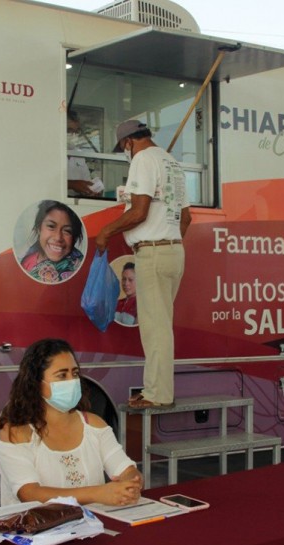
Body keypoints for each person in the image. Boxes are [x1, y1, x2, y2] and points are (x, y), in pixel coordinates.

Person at [96, 120, 191, 408]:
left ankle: (157, 394)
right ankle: (156, 390)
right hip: (174, 252)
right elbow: (185, 218)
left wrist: (106, 231)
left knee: (155, 328)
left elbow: (139, 212)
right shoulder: (171, 162)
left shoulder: (142, 159)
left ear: (128, 143)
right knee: (159, 324)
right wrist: (169, 239)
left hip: (153, 254)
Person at [0, 338, 142, 506]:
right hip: (34, 530)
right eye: (62, 375)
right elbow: (29, 494)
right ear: (36, 383)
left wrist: (131, 483)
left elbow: (126, 470)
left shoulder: (95, 425)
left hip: (92, 525)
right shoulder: (16, 433)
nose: (72, 381)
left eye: (74, 373)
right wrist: (98, 493)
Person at [21, 200, 85, 283]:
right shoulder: (26, 264)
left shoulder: (81, 266)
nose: (58, 237)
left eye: (67, 231)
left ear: (74, 237)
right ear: (39, 229)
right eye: (51, 226)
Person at [67, 111, 103, 198]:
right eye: (69, 131)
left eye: (76, 132)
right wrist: (71, 184)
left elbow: (85, 181)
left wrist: (92, 189)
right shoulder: (49, 152)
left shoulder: (79, 155)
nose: (73, 135)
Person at [115, 261, 137, 325]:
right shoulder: (118, 303)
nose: (126, 283)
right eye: (124, 279)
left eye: (130, 280)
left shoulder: (141, 305)